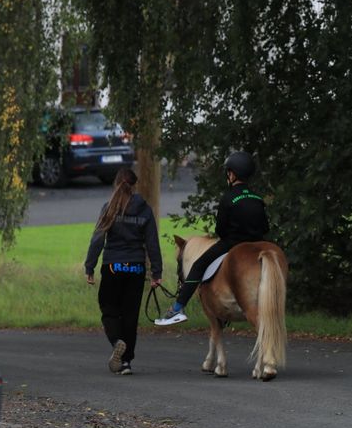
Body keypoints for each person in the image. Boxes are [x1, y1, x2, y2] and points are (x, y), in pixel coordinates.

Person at [155, 151, 269, 325]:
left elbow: (221, 229)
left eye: (228, 172)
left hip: (232, 243)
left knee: (199, 265)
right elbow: (265, 227)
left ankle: (177, 308)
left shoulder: (228, 198)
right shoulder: (257, 199)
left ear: (232, 174)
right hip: (258, 245)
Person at [84, 168, 162, 375]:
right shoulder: (145, 210)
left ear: (116, 183)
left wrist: (89, 267)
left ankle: (117, 341)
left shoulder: (109, 208)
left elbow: (97, 240)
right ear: (134, 186)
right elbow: (152, 243)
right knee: (130, 315)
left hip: (112, 267)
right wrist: (156, 272)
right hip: (136, 267)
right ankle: (126, 362)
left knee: (109, 309)